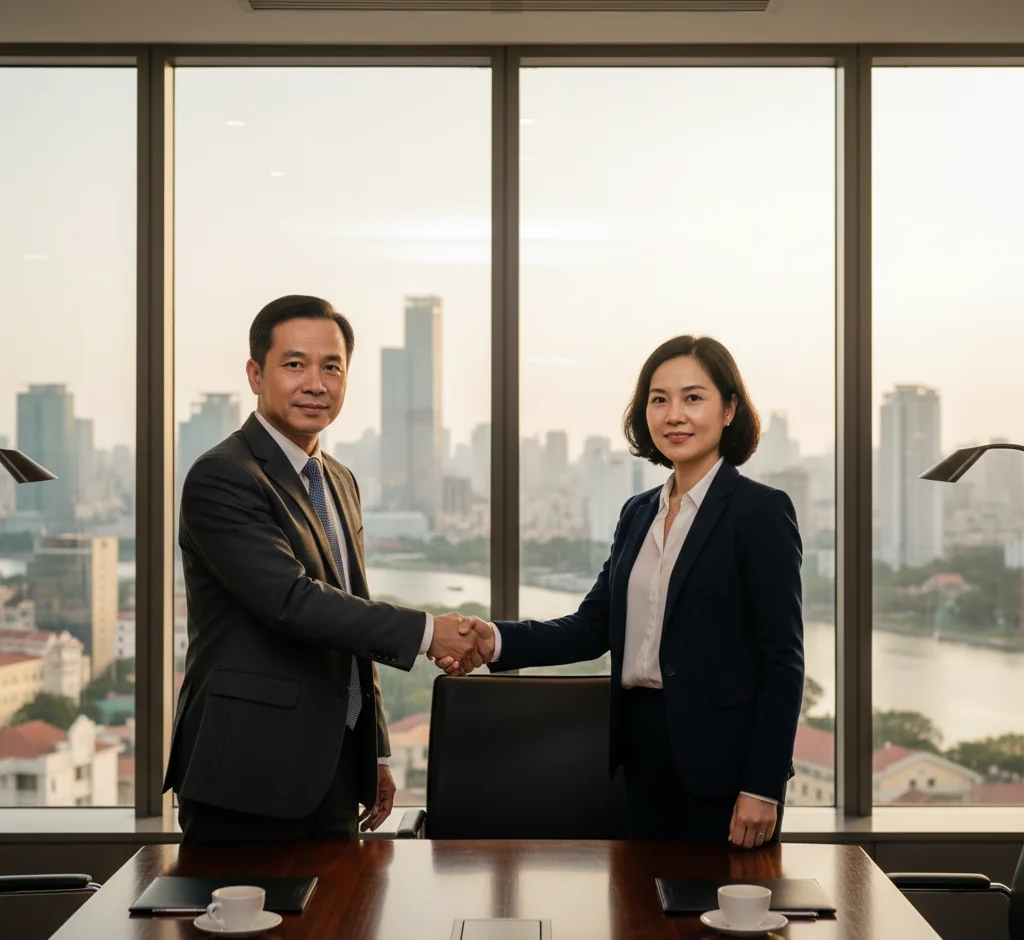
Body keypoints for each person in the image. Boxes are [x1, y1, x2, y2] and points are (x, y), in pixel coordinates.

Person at [443, 335, 804, 846]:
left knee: (719, 898)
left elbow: (782, 659)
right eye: (659, 399)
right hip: (639, 755)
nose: (674, 415)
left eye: (693, 398)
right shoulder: (638, 513)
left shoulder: (760, 512)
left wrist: (762, 785)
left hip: (724, 766)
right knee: (639, 895)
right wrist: (494, 640)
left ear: (728, 410)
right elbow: (593, 626)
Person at [164, 295, 488, 842]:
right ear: (255, 374)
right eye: (295, 364)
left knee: (339, 901)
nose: (315, 384)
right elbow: (292, 603)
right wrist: (430, 632)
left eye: (331, 367)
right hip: (246, 770)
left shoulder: (338, 478)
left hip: (333, 769)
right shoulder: (223, 475)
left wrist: (375, 750)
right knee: (238, 903)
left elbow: (351, 609)